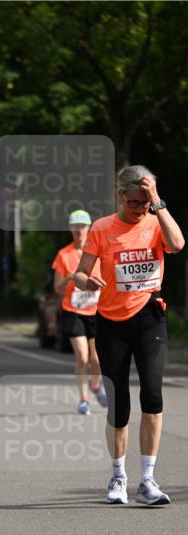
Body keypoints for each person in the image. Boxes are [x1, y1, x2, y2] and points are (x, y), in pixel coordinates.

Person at [73, 165, 184, 505]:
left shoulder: (156, 220)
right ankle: (118, 476)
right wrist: (87, 281)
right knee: (118, 401)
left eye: (145, 202)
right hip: (111, 322)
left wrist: (158, 203)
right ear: (121, 196)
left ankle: (147, 480)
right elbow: (79, 274)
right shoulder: (103, 228)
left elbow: (177, 245)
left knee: (152, 394)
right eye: (135, 202)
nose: (140, 209)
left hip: (150, 317)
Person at [52, 210, 107, 415]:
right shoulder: (63, 255)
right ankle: (84, 400)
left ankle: (95, 385)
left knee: (97, 359)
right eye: (74, 226)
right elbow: (57, 288)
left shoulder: (97, 252)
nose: (78, 230)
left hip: (96, 310)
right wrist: (71, 278)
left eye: (82, 226)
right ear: (70, 229)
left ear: (89, 228)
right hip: (73, 311)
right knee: (83, 357)